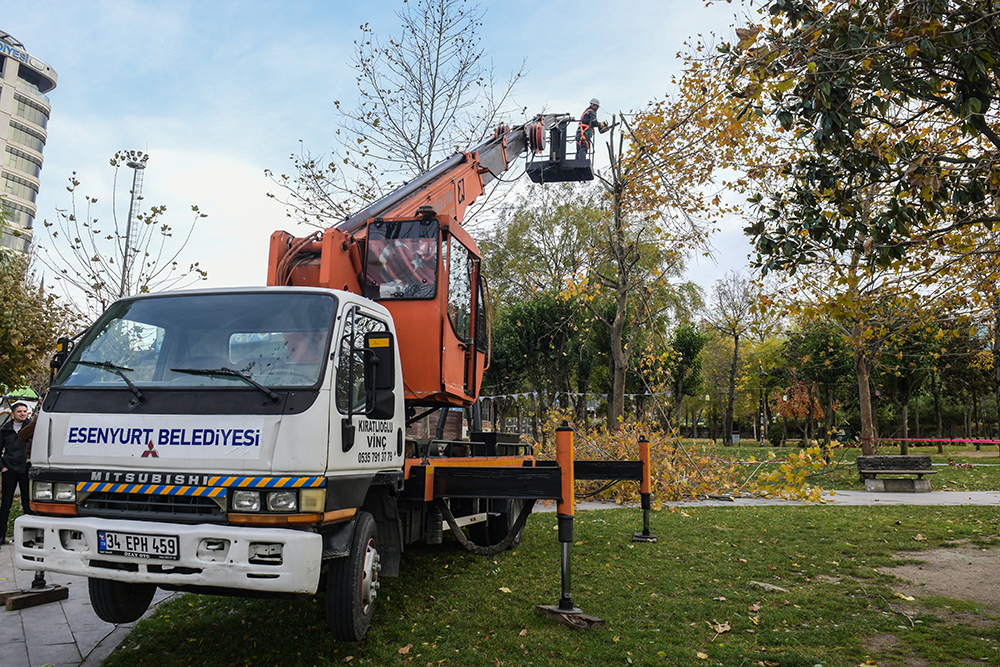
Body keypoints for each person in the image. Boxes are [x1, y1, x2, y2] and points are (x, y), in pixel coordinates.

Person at [0, 402, 31, 546]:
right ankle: (1, 535)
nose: (23, 414)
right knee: (6, 504)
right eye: (19, 411)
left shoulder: (31, 428)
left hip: (25, 469)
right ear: (13, 414)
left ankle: (28, 537)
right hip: (9, 469)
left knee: (27, 504)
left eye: (25, 411)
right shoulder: (5, 430)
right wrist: (2, 467)